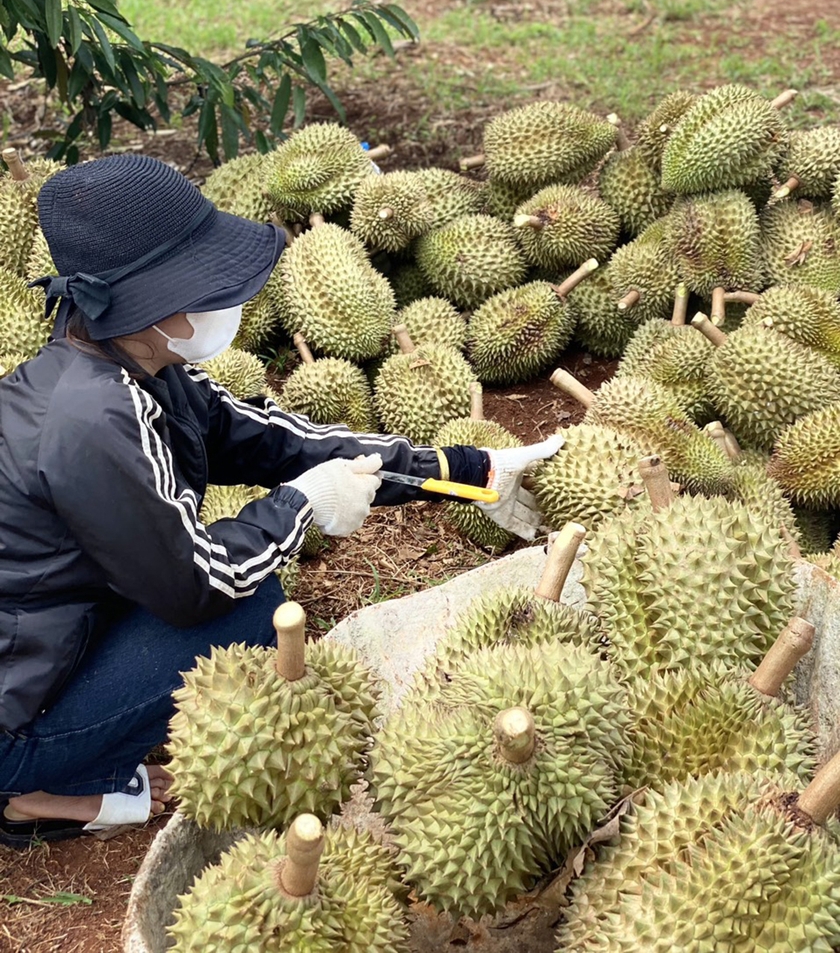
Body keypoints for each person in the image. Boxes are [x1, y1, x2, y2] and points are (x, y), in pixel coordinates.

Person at [0, 154, 561, 848]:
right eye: (201, 283)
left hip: (48, 643)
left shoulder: (138, 367)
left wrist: (467, 469)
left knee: (249, 583)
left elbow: (277, 442)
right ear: (145, 303)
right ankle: (32, 792)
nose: (222, 301)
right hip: (10, 720)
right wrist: (302, 507)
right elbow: (195, 585)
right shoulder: (91, 420)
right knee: (251, 604)